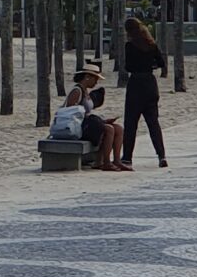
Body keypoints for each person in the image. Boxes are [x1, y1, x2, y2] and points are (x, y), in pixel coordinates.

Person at [117, 15, 169, 167]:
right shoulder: (151, 44)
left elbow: (128, 67)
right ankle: (161, 155)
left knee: (131, 122)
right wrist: (150, 66)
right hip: (150, 83)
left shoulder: (130, 46)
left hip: (136, 83)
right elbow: (161, 63)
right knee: (153, 122)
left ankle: (127, 157)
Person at [66, 67, 127, 170]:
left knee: (118, 128)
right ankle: (104, 161)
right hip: (77, 127)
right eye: (95, 79)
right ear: (87, 77)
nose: (96, 83)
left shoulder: (85, 91)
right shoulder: (77, 91)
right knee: (108, 129)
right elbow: (70, 112)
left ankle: (117, 160)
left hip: (85, 123)